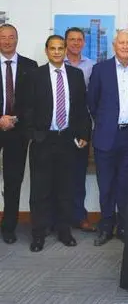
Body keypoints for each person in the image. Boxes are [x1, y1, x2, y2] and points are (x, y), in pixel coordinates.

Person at [22, 35, 91, 252]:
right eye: (53, 48)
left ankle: (64, 231)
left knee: (65, 189)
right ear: (47, 51)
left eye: (61, 48)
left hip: (67, 140)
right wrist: (33, 134)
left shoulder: (76, 75)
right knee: (40, 191)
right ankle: (38, 234)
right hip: (43, 140)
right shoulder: (35, 75)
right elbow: (26, 107)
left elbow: (81, 108)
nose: (57, 52)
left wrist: (84, 133)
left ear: (65, 50)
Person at [88, 30, 128, 246]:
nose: (125, 46)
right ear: (114, 45)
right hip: (106, 136)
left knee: (126, 184)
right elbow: (92, 102)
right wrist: (106, 122)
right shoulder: (100, 69)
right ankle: (106, 227)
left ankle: (124, 226)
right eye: (121, 43)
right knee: (106, 185)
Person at [0, 24, 38, 245]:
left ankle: (9, 226)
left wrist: (13, 119)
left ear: (17, 39)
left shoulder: (30, 66)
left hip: (18, 130)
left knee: (13, 181)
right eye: (3, 37)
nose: (7, 41)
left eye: (11, 37)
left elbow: (33, 101)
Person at [62, 27, 97, 232]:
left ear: (84, 42)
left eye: (79, 39)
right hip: (56, 127)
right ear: (65, 42)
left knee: (77, 175)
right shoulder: (56, 63)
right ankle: (56, 219)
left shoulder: (92, 66)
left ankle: (79, 216)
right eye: (71, 39)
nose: (75, 43)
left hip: (81, 126)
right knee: (56, 175)